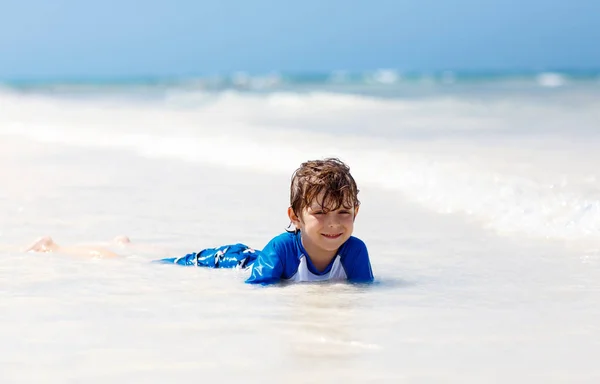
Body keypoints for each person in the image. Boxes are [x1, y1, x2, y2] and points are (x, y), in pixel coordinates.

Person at [26, 158, 374, 285]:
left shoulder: (354, 251)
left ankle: (125, 243)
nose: (334, 224)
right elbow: (258, 289)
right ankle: (55, 247)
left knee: (144, 258)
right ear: (295, 218)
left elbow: (360, 293)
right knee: (150, 266)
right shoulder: (283, 249)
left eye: (344, 212)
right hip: (231, 259)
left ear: (355, 213)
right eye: (319, 213)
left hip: (248, 256)